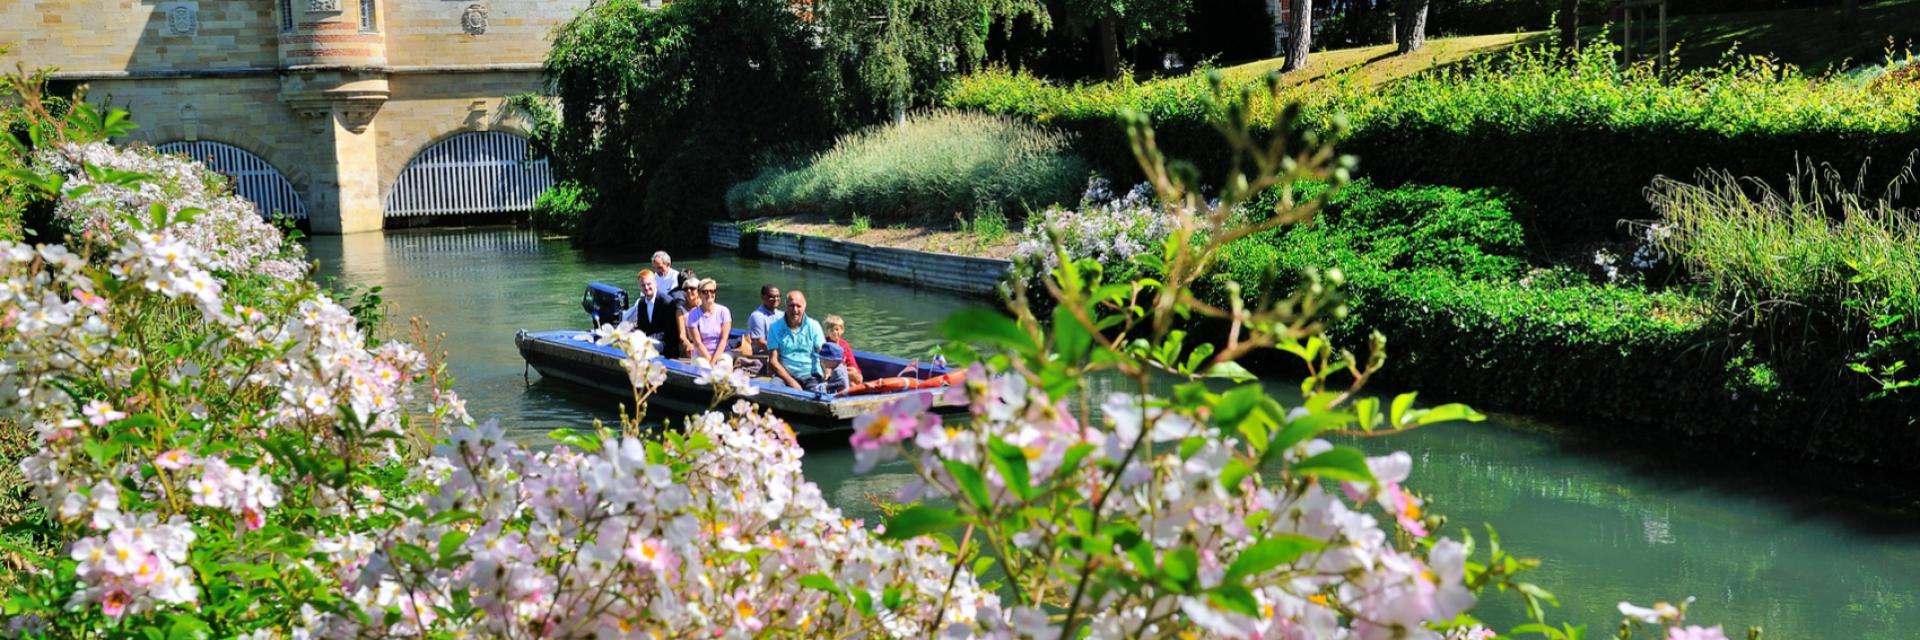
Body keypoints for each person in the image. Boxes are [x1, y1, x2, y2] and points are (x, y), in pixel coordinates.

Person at [766, 290, 827, 392]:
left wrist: (827, 374)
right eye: (791, 305)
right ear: (786, 306)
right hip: (785, 375)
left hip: (811, 375)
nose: (795, 309)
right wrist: (791, 381)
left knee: (819, 394)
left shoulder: (814, 326)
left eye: (798, 306)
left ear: (804, 306)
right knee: (773, 389)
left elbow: (823, 353)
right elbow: (773, 361)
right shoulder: (775, 328)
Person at [620, 270, 687, 358]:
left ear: (655, 283)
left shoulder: (667, 302)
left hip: (665, 344)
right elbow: (641, 327)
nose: (646, 288)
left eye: (649, 284)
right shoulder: (641, 303)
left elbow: (667, 331)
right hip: (649, 340)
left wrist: (647, 339)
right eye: (643, 285)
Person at [683, 278, 733, 362]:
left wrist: (714, 361)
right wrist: (711, 362)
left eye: (712, 291)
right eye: (705, 292)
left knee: (724, 366)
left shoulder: (724, 311)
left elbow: (724, 339)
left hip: (722, 352)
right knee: (704, 369)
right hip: (701, 354)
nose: (709, 294)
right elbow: (698, 343)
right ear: (699, 294)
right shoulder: (693, 314)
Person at [821, 314, 865, 385]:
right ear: (827, 331)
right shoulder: (825, 345)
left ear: (842, 330)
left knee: (856, 375)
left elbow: (851, 361)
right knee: (850, 380)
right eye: (831, 330)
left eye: (837, 329)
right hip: (832, 372)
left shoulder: (844, 345)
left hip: (843, 370)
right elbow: (824, 364)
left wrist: (857, 372)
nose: (835, 332)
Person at [746, 284, 782, 354]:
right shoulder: (757, 316)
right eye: (771, 297)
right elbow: (760, 343)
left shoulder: (782, 315)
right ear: (763, 297)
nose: (776, 299)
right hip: (764, 353)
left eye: (778, 296)